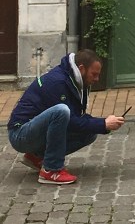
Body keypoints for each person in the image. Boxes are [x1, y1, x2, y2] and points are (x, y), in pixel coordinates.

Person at [7, 49, 126, 185]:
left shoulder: (75, 79)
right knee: (61, 111)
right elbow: (71, 121)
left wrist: (103, 124)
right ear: (81, 69)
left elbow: (77, 117)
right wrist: (103, 124)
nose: (96, 79)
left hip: (33, 132)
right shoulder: (58, 82)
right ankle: (51, 170)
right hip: (20, 134)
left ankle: (36, 157)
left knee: (89, 133)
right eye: (94, 74)